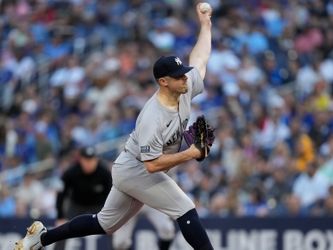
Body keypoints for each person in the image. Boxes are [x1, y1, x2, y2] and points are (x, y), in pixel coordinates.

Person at [14, 3, 213, 250]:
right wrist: (192, 153)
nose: (185, 78)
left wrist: (206, 25)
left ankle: (41, 238)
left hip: (129, 168)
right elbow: (152, 166)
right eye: (179, 76)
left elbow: (200, 59)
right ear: (163, 81)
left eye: (184, 74)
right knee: (186, 209)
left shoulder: (183, 87)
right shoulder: (153, 116)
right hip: (137, 169)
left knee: (104, 223)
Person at [53, 146, 112, 250]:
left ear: (96, 159)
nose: (89, 163)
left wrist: (112, 215)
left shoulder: (104, 173)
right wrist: (60, 217)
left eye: (91, 160)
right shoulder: (70, 172)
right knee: (62, 229)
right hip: (77, 206)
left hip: (98, 207)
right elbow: (61, 194)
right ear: (81, 160)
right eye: (86, 160)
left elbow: (112, 195)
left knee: (113, 227)